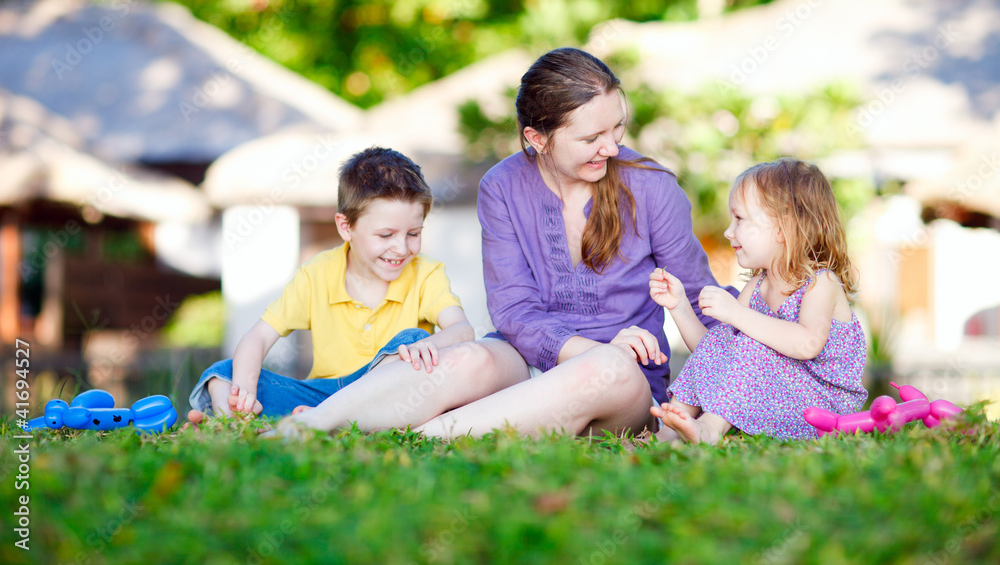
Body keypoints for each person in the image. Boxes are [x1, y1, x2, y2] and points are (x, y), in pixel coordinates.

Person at [410, 47, 733, 438]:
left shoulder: (653, 186)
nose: (612, 148)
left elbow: (704, 300)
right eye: (591, 137)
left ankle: (430, 434)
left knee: (608, 368)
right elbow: (513, 309)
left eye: (617, 127)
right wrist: (591, 348)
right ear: (537, 138)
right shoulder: (501, 186)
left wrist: (759, 357)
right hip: (527, 365)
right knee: (472, 356)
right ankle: (317, 420)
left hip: (620, 385)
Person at [188, 147, 478, 420]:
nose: (402, 248)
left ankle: (323, 420)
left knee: (410, 340)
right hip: (321, 396)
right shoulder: (316, 274)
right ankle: (239, 420)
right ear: (345, 227)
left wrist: (430, 344)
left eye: (413, 233)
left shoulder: (425, 273)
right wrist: (244, 392)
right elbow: (258, 338)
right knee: (222, 374)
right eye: (386, 235)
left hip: (386, 390)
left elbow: (462, 330)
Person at [649, 158, 868, 444]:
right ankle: (670, 429)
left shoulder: (820, 283)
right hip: (778, 397)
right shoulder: (757, 286)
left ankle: (709, 429)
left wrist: (737, 315)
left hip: (823, 404)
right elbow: (718, 352)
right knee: (725, 339)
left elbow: (807, 344)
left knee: (751, 340)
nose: (728, 231)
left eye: (739, 219)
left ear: (783, 228)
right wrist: (678, 306)